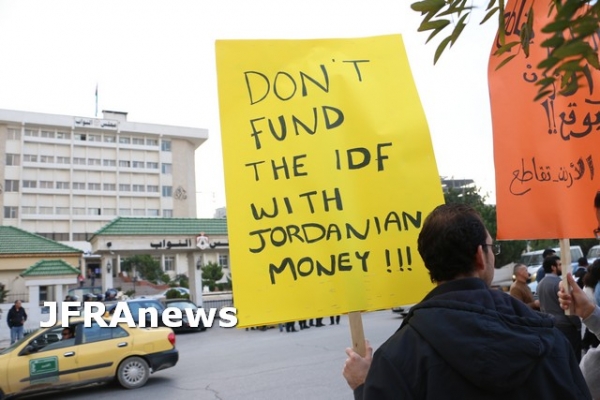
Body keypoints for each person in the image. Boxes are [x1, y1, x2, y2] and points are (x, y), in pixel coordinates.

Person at [343, 203, 590, 399]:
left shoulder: (396, 358)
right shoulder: (548, 339)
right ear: (480, 256)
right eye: (492, 247)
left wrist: (364, 386)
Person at [538, 255, 583, 362]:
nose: (562, 267)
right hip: (566, 326)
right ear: (553, 267)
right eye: (559, 264)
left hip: (550, 325)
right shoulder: (559, 284)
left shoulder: (540, 284)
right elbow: (568, 307)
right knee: (573, 358)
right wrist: (578, 325)